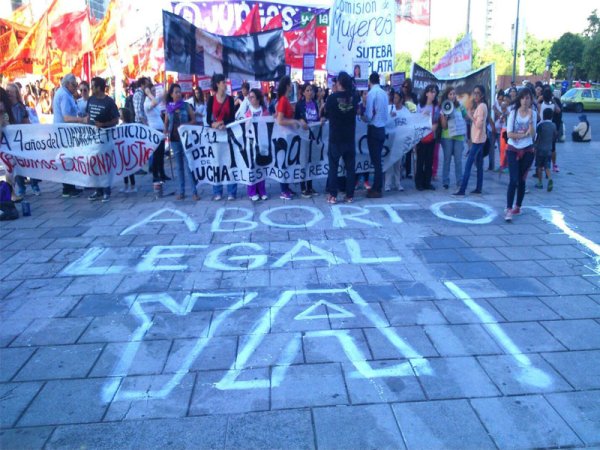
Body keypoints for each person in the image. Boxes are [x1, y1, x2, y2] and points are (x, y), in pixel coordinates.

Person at [504, 88, 537, 222]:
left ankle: (518, 205)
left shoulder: (533, 114)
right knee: (513, 179)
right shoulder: (513, 112)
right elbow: (509, 134)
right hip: (513, 148)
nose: (525, 101)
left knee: (522, 179)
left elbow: (533, 134)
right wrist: (523, 135)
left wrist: (529, 120)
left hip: (527, 149)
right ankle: (508, 208)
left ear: (530, 100)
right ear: (519, 99)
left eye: (527, 98)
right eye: (523, 98)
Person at [325, 71, 358, 204]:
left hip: (336, 138)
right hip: (349, 137)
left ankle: (333, 195)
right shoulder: (354, 97)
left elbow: (327, 111)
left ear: (339, 83)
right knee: (350, 168)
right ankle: (349, 195)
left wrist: (333, 93)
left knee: (333, 167)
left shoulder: (332, 98)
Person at [53, 74, 88, 198]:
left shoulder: (65, 94)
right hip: (64, 132)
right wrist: (82, 120)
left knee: (68, 158)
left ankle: (70, 186)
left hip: (65, 131)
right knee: (67, 158)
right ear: (67, 84)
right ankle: (68, 188)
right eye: (74, 85)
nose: (76, 88)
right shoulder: (64, 95)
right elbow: (66, 117)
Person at [86, 77, 120, 203]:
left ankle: (106, 190)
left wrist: (104, 124)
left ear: (99, 87)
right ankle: (98, 189)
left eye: (93, 86)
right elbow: (88, 116)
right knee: (93, 164)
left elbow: (116, 120)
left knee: (103, 164)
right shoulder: (91, 99)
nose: (91, 89)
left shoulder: (109, 102)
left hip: (104, 138)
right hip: (91, 137)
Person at [6, 82, 42, 198]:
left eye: (10, 92)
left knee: (29, 162)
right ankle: (21, 186)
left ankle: (34, 184)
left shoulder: (21, 108)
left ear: (16, 94)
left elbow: (26, 124)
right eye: (7, 92)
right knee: (15, 164)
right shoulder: (5, 108)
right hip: (11, 141)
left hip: (22, 139)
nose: (9, 94)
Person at [166, 83, 198, 201]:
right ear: (171, 94)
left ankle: (194, 191)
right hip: (174, 140)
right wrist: (165, 132)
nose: (179, 94)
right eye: (176, 92)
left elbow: (194, 120)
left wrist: (185, 125)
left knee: (189, 165)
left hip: (186, 140)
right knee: (179, 167)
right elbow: (166, 123)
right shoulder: (168, 108)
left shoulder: (186, 106)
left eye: (179, 92)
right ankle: (181, 191)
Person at [453, 85, 488, 196]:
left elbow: (478, 124)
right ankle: (478, 187)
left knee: (468, 164)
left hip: (478, 140)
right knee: (479, 164)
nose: (475, 95)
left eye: (478, 93)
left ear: (482, 95)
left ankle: (462, 189)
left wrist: (470, 116)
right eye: (475, 93)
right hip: (479, 138)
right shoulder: (480, 106)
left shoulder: (482, 106)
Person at [207, 73, 236, 201]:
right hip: (215, 135)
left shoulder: (230, 99)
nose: (225, 84)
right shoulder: (211, 100)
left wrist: (224, 122)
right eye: (223, 82)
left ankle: (231, 191)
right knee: (216, 163)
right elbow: (208, 119)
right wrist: (214, 124)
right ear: (218, 84)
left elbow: (233, 118)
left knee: (230, 163)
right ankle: (217, 191)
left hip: (228, 133)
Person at [275, 75, 302, 200]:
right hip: (283, 136)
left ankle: (286, 187)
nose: (292, 86)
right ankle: (283, 189)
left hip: (287, 136)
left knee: (286, 162)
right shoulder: (282, 100)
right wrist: (293, 122)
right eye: (290, 84)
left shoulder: (285, 100)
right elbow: (280, 120)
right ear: (287, 86)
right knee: (283, 162)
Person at [362, 71, 388, 198]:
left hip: (374, 128)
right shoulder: (384, 93)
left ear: (369, 81)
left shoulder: (372, 93)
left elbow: (369, 114)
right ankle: (377, 186)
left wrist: (363, 117)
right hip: (382, 128)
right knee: (378, 160)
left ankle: (377, 188)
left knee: (376, 160)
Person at [295, 83, 322, 198]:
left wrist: (322, 119)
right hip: (304, 136)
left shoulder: (315, 104)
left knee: (312, 161)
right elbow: (296, 117)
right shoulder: (300, 105)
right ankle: (302, 187)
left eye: (311, 90)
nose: (310, 92)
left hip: (314, 135)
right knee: (303, 161)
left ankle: (310, 186)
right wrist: (301, 120)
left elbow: (317, 118)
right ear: (303, 92)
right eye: (307, 90)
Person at [242, 88, 270, 202]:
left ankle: (262, 190)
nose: (250, 98)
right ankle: (252, 191)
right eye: (249, 97)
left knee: (261, 167)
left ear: (258, 99)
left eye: (252, 96)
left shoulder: (265, 111)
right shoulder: (247, 112)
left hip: (262, 143)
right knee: (251, 167)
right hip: (251, 143)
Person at [439, 86, 467, 190]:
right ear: (447, 95)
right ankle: (445, 181)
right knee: (447, 159)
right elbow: (444, 126)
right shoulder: (444, 107)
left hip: (459, 136)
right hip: (447, 137)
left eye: (454, 94)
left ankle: (459, 181)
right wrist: (445, 118)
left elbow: (466, 117)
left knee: (458, 160)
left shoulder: (460, 106)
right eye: (450, 94)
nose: (453, 96)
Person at [415, 84, 439, 191]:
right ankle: (419, 182)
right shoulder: (420, 106)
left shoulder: (436, 107)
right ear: (426, 93)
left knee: (429, 160)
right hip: (421, 137)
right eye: (431, 92)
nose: (433, 94)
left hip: (431, 137)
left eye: (434, 92)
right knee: (420, 160)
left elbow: (436, 121)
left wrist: (434, 126)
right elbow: (416, 121)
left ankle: (427, 182)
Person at [144, 83, 169, 183]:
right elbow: (154, 102)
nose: (154, 92)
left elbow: (163, 96)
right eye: (152, 90)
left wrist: (165, 87)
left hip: (160, 129)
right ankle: (155, 175)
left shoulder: (153, 99)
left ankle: (162, 173)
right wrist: (149, 93)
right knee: (156, 153)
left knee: (161, 153)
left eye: (155, 90)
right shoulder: (146, 103)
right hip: (154, 130)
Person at [385, 90, 408, 192]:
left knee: (398, 164)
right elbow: (385, 122)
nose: (394, 100)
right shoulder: (389, 108)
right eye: (393, 98)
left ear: (401, 99)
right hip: (390, 140)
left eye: (397, 98)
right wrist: (390, 116)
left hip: (400, 140)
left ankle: (398, 183)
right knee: (389, 163)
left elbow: (409, 124)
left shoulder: (405, 111)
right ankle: (387, 184)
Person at [534, 108, 556, 192]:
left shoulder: (540, 125)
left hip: (540, 149)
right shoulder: (553, 125)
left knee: (539, 166)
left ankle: (540, 182)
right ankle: (549, 178)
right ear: (551, 116)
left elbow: (537, 137)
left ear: (543, 115)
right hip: (549, 149)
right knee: (547, 166)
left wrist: (535, 146)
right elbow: (555, 136)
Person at [118, 108, 137, 193]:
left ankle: (133, 186)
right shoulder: (121, 125)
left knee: (129, 169)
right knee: (124, 169)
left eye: (120, 113)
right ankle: (126, 185)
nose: (119, 115)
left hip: (128, 150)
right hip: (122, 150)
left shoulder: (129, 125)